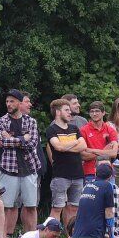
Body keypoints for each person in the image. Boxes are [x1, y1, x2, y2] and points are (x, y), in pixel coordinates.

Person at [0, 90, 40, 238]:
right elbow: (2, 143)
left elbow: (33, 143)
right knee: (6, 206)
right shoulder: (1, 121)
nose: (8, 104)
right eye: (7, 101)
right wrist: (22, 139)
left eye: (12, 101)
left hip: (29, 168)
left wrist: (12, 138)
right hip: (8, 169)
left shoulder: (31, 121)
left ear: (20, 103)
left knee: (31, 206)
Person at [45, 97, 85, 227]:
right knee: (57, 208)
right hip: (61, 175)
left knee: (74, 208)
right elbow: (58, 147)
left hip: (78, 174)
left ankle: (70, 236)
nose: (70, 112)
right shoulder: (52, 129)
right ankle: (52, 236)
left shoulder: (74, 128)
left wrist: (65, 146)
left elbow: (83, 146)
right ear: (58, 112)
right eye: (66, 110)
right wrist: (75, 142)